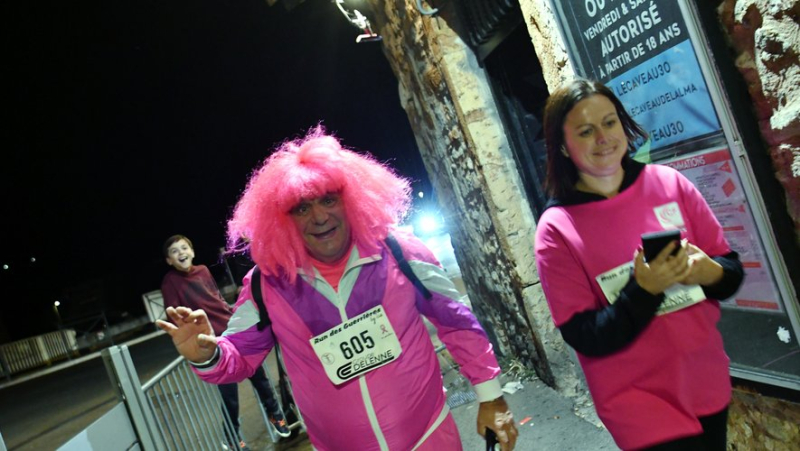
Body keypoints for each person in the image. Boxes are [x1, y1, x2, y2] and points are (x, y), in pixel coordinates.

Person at [156, 127, 518, 450]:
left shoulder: (400, 251)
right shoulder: (268, 284)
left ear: (352, 199)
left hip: (429, 436)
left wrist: (491, 397)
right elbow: (238, 357)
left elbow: (457, 323)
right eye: (301, 208)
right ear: (281, 220)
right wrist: (204, 353)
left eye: (329, 199)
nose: (319, 217)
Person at [534, 78, 744, 450]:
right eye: (586, 131)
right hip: (638, 405)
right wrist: (643, 290)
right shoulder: (557, 230)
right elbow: (585, 335)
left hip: (704, 379)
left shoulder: (670, 183)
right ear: (563, 147)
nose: (603, 137)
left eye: (610, 122)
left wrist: (709, 272)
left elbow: (728, 271)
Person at [160, 235, 291, 450]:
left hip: (233, 332)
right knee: (230, 396)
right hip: (213, 344)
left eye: (184, 248)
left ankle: (276, 415)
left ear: (192, 252)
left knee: (260, 378)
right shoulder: (171, 281)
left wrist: (232, 313)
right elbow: (173, 314)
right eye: (174, 251)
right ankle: (231, 438)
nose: (181, 253)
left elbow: (216, 297)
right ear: (169, 261)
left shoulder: (203, 270)